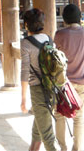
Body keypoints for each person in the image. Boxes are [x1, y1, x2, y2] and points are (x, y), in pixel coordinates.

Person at [54, 4, 84, 151]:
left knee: (59, 115)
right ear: (79, 17)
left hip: (63, 83)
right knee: (79, 117)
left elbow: (55, 54)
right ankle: (77, 148)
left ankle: (62, 148)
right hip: (82, 81)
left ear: (64, 18)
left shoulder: (60, 34)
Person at [20, 8, 59, 151]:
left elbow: (25, 72)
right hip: (52, 88)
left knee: (48, 136)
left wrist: (23, 99)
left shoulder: (26, 43)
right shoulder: (49, 39)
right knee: (38, 129)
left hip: (37, 89)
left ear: (26, 25)